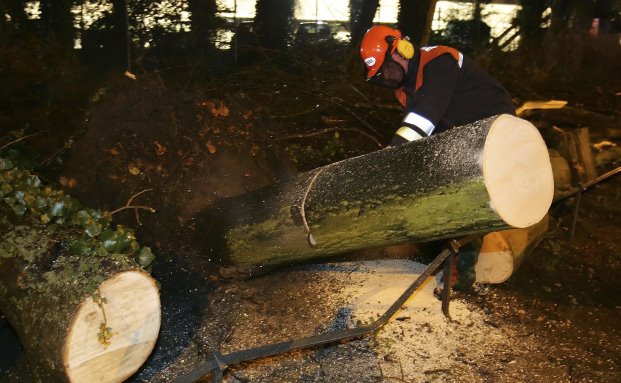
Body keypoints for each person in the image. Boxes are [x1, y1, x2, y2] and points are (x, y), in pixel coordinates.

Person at [359, 25, 517, 290]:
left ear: (401, 51)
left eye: (386, 69)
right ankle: (445, 259)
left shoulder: (439, 60)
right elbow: (429, 129)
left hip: (497, 129)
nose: (386, 77)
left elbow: (427, 114)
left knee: (470, 201)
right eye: (380, 76)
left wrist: (393, 153)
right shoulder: (405, 90)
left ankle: (460, 277)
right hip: (464, 137)